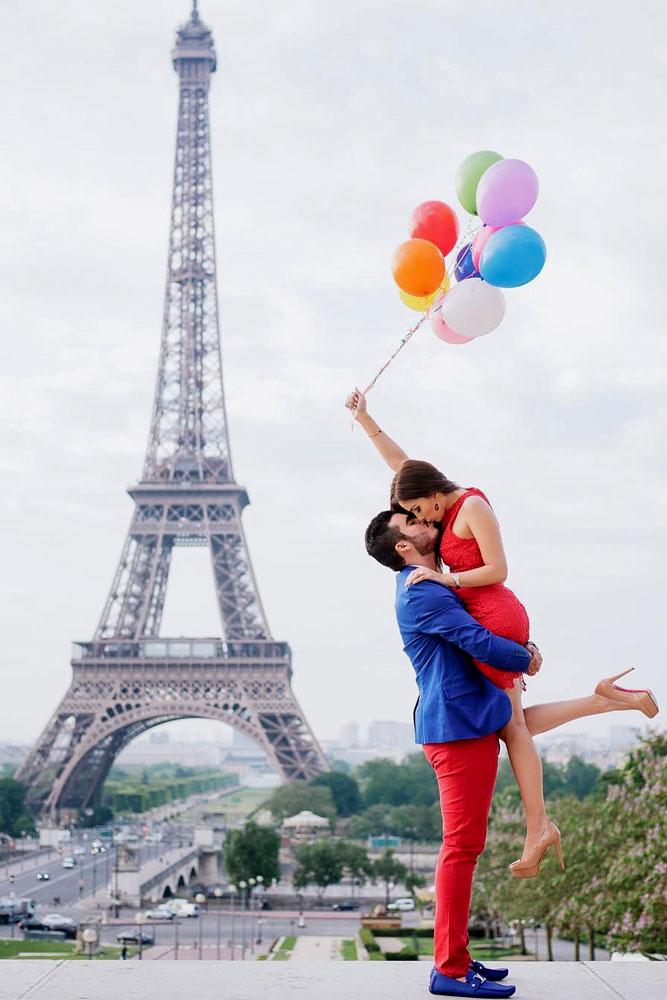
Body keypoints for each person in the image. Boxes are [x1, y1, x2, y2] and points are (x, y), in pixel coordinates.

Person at [348, 388, 658, 874]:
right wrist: (366, 420)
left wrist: (446, 577)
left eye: (418, 511)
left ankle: (539, 826)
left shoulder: (470, 508)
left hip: (493, 611)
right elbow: (401, 464)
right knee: (510, 721)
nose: (420, 521)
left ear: (433, 496)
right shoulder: (442, 506)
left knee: (512, 727)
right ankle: (602, 702)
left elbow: (500, 569)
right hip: (484, 612)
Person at [364, 509, 657, 997]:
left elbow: (483, 630)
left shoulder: (432, 582)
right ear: (403, 546)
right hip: (457, 729)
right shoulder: (422, 590)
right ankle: (450, 971)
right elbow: (478, 640)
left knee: (508, 735)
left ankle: (456, 960)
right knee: (461, 849)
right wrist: (527, 656)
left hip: (468, 714)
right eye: (411, 520)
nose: (422, 519)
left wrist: (524, 648)